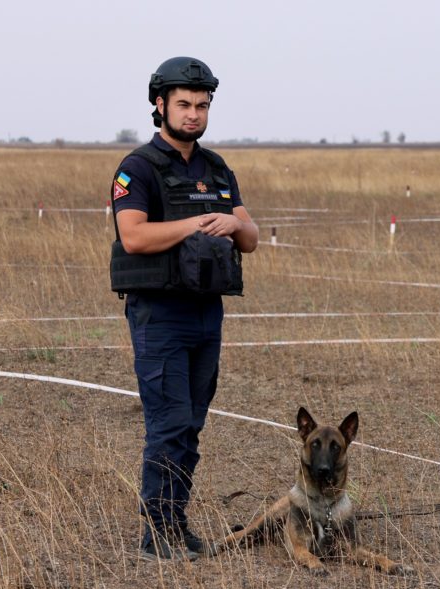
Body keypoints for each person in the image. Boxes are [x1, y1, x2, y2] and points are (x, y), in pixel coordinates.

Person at [110, 57, 259, 561]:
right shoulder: (138, 168)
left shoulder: (216, 169)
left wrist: (229, 221)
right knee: (167, 423)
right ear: (160, 105)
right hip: (159, 313)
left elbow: (252, 237)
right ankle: (156, 534)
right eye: (183, 104)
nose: (193, 114)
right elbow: (132, 236)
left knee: (192, 423)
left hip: (205, 313)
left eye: (201, 105)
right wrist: (199, 224)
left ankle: (177, 521)